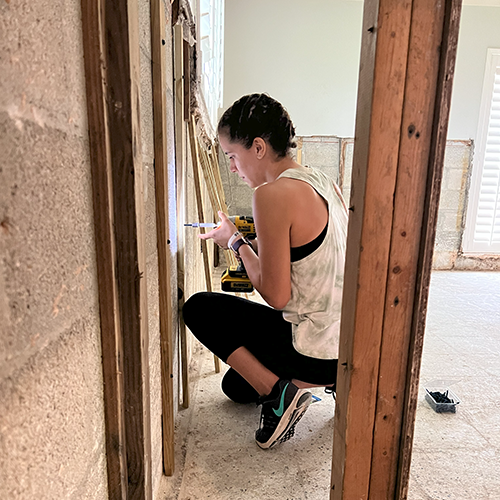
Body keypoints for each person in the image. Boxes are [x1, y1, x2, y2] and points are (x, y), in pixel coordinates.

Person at [182, 93, 348, 450]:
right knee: (234, 387)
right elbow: (310, 259)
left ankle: (280, 396)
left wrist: (236, 243)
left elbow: (276, 296)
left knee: (198, 308)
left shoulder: (271, 194)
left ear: (257, 147)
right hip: (346, 347)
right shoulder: (322, 182)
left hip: (313, 350)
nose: (232, 168)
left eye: (232, 156)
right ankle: (297, 385)